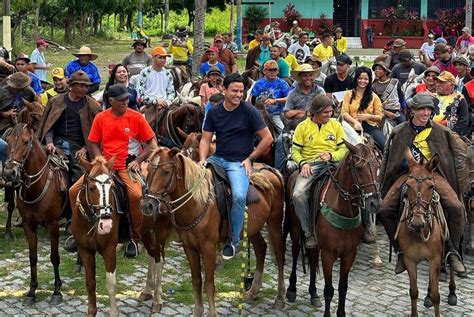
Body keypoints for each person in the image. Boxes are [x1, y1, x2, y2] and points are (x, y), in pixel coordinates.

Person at [379, 92, 468, 274]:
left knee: (456, 207)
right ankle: (400, 251)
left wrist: (461, 183)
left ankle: (452, 252)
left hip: (433, 175)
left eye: (429, 109)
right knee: (385, 210)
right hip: (408, 175)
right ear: (413, 111)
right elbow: (389, 159)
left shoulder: (441, 132)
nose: (426, 113)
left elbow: (457, 157)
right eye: (422, 109)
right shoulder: (399, 131)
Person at [69, 84, 157, 258]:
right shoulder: (101, 117)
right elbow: (93, 142)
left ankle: (134, 238)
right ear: (111, 101)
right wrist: (99, 161)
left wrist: (138, 161)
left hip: (126, 165)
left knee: (135, 196)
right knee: (73, 191)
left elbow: (151, 143)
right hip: (103, 167)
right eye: (121, 99)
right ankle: (77, 232)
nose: (126, 101)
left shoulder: (137, 117)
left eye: (127, 99)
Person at [199, 73, 273, 260]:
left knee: (239, 196)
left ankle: (234, 241)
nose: (239, 95)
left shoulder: (249, 111)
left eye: (241, 91)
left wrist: (251, 157)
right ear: (223, 90)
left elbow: (267, 138)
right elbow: (205, 139)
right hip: (217, 159)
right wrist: (201, 159)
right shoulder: (214, 111)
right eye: (235, 91)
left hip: (238, 163)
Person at [37, 70, 101, 251]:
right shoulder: (56, 101)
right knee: (36, 170)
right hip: (56, 144)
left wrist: (85, 148)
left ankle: (75, 219)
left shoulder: (91, 105)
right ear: (71, 85)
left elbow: (96, 133)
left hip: (79, 147)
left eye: (86, 86)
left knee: (79, 180)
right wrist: (49, 143)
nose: (83, 89)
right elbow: (48, 126)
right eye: (80, 85)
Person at [291, 95, 347, 248]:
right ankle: (308, 232)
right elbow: (295, 150)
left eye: (331, 112)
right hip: (311, 165)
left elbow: (343, 148)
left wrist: (331, 155)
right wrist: (303, 163)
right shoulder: (302, 127)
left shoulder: (336, 125)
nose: (329, 115)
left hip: (333, 164)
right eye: (326, 112)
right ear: (315, 112)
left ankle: (366, 226)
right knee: (298, 194)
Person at [275, 64, 326, 171]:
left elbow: (323, 111)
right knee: (280, 141)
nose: (308, 78)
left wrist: (299, 114)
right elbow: (287, 114)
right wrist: (302, 113)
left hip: (315, 125)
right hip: (293, 127)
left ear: (314, 76)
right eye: (305, 76)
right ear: (300, 77)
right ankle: (279, 172)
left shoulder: (320, 91)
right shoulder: (292, 94)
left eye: (310, 75)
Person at [342, 66, 385, 150]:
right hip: (350, 127)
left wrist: (368, 116)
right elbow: (344, 112)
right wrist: (355, 122)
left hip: (369, 127)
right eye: (360, 78)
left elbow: (379, 117)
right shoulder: (348, 94)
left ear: (369, 81)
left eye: (366, 79)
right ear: (356, 79)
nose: (362, 81)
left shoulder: (374, 97)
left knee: (386, 146)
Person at [0, 73, 36, 164]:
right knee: (5, 146)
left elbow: (34, 98)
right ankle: (7, 167)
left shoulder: (27, 91)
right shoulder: (2, 92)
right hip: (3, 124)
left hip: (16, 123)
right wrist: (5, 114)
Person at [250, 60, 291, 135]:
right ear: (264, 71)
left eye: (274, 70)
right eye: (270, 70)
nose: (272, 72)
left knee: (283, 132)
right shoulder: (259, 83)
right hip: (260, 113)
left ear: (278, 71)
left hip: (277, 113)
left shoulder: (282, 83)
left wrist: (275, 101)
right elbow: (251, 98)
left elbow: (289, 98)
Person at [137, 46, 176, 112]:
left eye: (164, 58)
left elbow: (171, 93)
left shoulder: (168, 74)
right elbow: (140, 95)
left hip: (164, 105)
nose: (163, 60)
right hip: (148, 105)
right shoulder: (145, 72)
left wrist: (167, 102)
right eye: (160, 57)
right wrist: (155, 101)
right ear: (153, 58)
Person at [434, 71, 469, 136]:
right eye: (437, 81)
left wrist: (451, 134)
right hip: (430, 133)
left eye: (441, 82)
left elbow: (463, 121)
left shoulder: (460, 98)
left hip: (451, 135)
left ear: (451, 85)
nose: (438, 84)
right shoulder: (431, 96)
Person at [372, 59, 406, 125]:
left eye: (379, 69)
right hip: (381, 111)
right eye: (375, 69)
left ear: (386, 71)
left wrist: (404, 109)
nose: (376, 71)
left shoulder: (395, 82)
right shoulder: (374, 86)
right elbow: (374, 104)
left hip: (396, 111)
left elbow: (401, 97)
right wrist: (385, 112)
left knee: (403, 123)